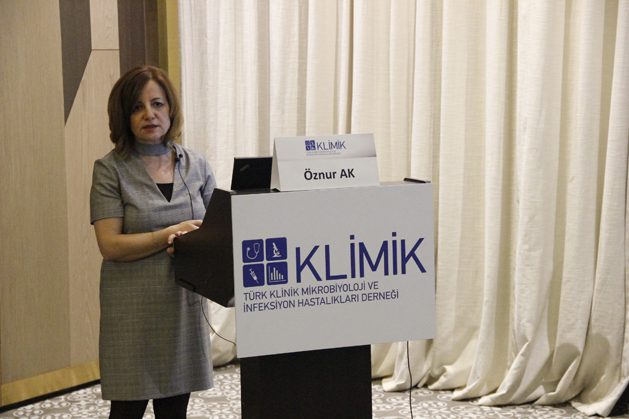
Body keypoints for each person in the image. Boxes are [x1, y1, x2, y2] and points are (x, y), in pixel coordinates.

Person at [90, 65, 215, 419]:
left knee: (175, 411)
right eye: (137, 107)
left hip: (182, 306)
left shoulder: (196, 165)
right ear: (123, 115)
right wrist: (167, 235)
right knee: (126, 411)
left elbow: (216, 230)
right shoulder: (110, 169)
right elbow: (110, 245)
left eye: (157, 104)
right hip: (132, 310)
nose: (149, 114)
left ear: (170, 108)